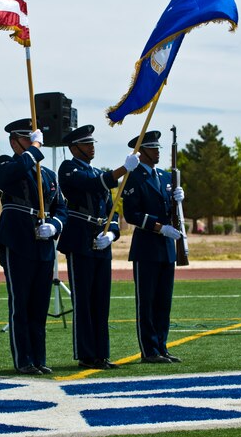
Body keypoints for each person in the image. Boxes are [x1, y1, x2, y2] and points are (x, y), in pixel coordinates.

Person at [56, 124, 140, 370]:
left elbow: (111, 209)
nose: (92, 147)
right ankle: (86, 354)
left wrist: (112, 233)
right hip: (80, 238)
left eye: (93, 143)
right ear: (75, 148)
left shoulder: (97, 172)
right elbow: (94, 184)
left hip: (101, 241)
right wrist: (124, 169)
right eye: (87, 144)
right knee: (84, 300)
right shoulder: (69, 168)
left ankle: (101, 353)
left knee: (101, 300)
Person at [0, 118, 68, 375]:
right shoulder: (6, 163)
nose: (32, 143)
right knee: (21, 304)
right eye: (26, 139)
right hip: (18, 241)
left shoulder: (48, 174)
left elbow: (61, 207)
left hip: (44, 244)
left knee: (38, 305)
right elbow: (8, 176)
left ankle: (39, 357)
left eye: (33, 139)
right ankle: (23, 359)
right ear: (15, 142)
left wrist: (55, 225)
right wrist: (33, 149)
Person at [121, 130, 185, 364]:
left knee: (163, 302)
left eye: (158, 147)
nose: (158, 151)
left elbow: (171, 210)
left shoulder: (167, 177)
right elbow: (132, 214)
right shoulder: (133, 177)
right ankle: (149, 350)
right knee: (146, 302)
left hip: (167, 247)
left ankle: (162, 345)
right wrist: (160, 228)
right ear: (142, 152)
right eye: (153, 148)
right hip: (147, 246)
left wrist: (178, 200)